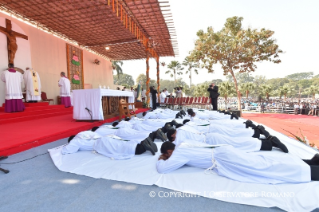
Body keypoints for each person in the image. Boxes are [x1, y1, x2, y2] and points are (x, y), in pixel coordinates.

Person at [156, 142, 319, 183]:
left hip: (224, 159)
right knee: (263, 161)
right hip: (224, 151)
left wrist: (160, 159)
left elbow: (163, 169)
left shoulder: (178, 153)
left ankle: (311, 171)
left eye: (167, 155)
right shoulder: (184, 145)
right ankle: (310, 163)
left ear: (169, 152)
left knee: (263, 168)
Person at [62, 131, 158, 157]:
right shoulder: (83, 134)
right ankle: (143, 142)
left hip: (100, 145)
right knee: (122, 143)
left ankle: (143, 147)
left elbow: (67, 150)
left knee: (122, 149)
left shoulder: (75, 141)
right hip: (104, 139)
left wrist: (64, 147)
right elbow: (95, 134)